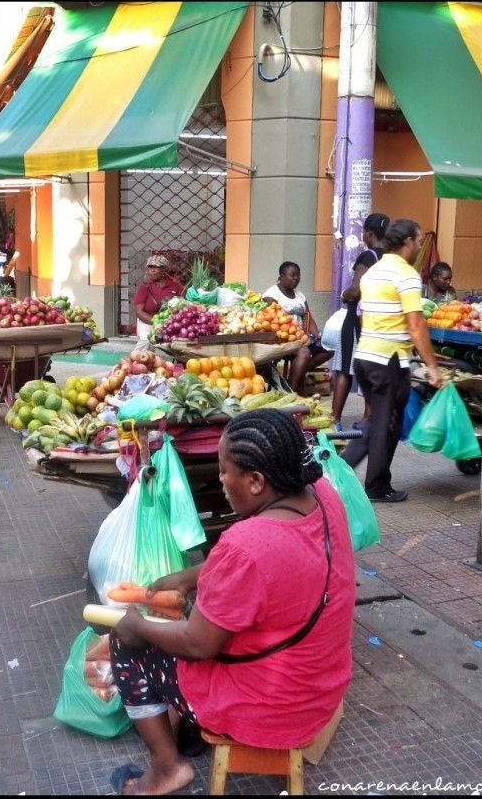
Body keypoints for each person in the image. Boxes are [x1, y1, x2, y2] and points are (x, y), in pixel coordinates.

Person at [107, 409, 356, 795]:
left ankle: (166, 767)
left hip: (271, 709)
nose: (222, 482)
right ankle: (185, 725)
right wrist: (188, 578)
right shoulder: (322, 495)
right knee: (187, 615)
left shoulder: (246, 545)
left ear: (256, 481)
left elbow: (198, 644)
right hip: (323, 685)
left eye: (225, 472)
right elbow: (272, 568)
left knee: (125, 642)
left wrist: (136, 625)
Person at [341, 219, 443, 503]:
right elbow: (416, 325)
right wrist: (432, 367)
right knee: (383, 425)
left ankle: (361, 477)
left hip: (367, 357)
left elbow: (365, 314)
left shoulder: (374, 273)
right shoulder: (407, 275)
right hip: (388, 361)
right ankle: (368, 484)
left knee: (384, 423)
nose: (420, 246)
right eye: (419, 240)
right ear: (408, 241)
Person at [331, 212, 389, 428]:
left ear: (369, 233)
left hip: (357, 319)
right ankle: (367, 419)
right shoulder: (391, 257)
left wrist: (344, 293)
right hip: (379, 321)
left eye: (364, 231)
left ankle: (334, 418)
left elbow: (355, 291)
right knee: (370, 371)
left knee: (345, 368)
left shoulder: (368, 256)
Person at [262, 262, 331, 396]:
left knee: (330, 346)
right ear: (282, 276)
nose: (296, 278)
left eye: (298, 275)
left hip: (302, 338)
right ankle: (291, 392)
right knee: (304, 353)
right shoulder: (271, 294)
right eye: (292, 275)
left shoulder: (300, 295)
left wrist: (317, 334)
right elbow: (273, 320)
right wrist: (297, 336)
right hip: (282, 339)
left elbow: (308, 316)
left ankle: (299, 371)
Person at [133, 254, 184, 351]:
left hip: (170, 322)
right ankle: (134, 361)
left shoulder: (175, 286)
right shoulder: (145, 287)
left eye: (155, 267)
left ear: (164, 269)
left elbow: (183, 304)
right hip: (147, 322)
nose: (151, 270)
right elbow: (139, 312)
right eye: (149, 267)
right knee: (146, 340)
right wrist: (156, 322)